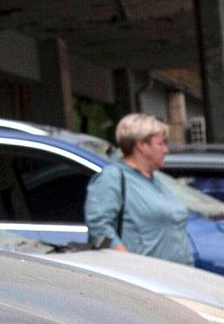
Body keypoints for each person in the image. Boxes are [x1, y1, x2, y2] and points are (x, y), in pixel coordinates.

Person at [83, 114, 195, 266]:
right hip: (143, 279)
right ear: (142, 145)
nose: (165, 150)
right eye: (161, 143)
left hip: (176, 278)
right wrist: (130, 264)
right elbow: (99, 227)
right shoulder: (113, 178)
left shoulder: (156, 180)